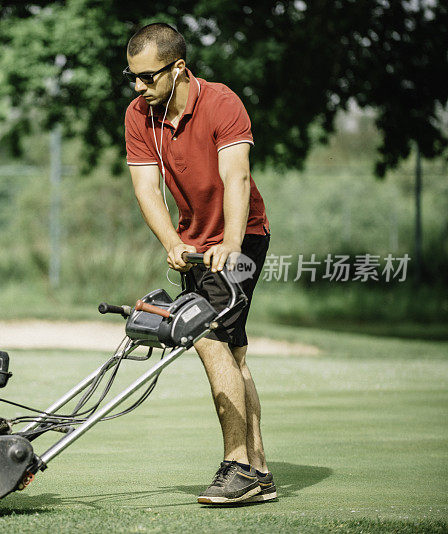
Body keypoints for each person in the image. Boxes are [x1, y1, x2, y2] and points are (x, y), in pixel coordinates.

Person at [123, 22, 275, 505]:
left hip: (243, 237)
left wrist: (230, 242)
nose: (139, 86)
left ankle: (236, 465)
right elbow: (147, 188)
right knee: (234, 355)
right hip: (193, 244)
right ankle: (260, 470)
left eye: (148, 77)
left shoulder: (222, 103)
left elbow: (237, 177)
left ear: (179, 68)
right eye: (132, 77)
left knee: (208, 339)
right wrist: (171, 241)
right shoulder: (138, 114)